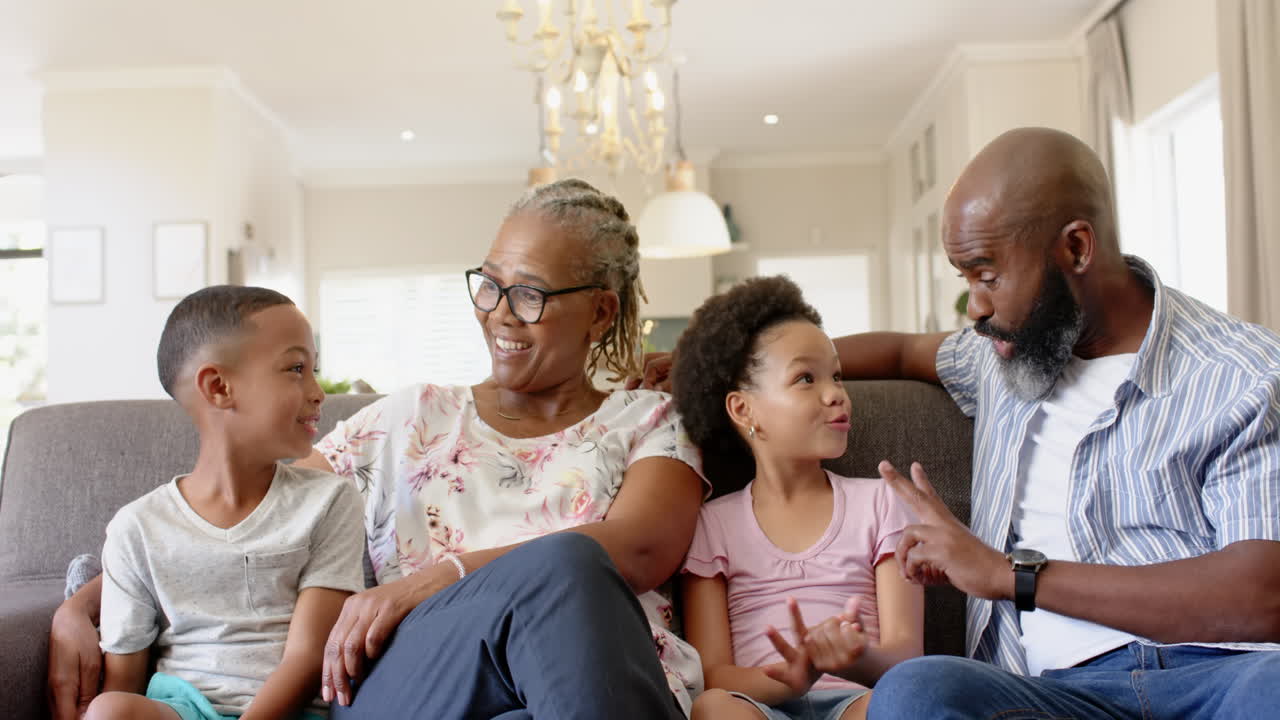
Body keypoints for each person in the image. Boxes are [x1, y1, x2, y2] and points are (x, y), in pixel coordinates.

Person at [641, 127, 1280, 718]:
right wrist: (711, 360)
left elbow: (1260, 596)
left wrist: (1009, 575)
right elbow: (897, 351)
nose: (974, 308)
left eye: (987, 275)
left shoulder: (1241, 374)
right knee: (918, 694)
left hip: (1220, 677)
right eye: (964, 278)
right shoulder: (1002, 352)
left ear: (1076, 247)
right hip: (1049, 695)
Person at [49, 179, 708, 720]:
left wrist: (431, 580)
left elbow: (638, 548)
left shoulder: (650, 419)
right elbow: (245, 509)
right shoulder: (412, 416)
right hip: (418, 686)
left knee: (570, 565)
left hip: (587, 688)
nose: (500, 313)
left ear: (600, 313)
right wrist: (83, 604)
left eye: (529, 294)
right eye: (490, 285)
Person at [84, 285, 366, 720]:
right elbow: (123, 685)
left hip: (293, 711)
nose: (317, 392)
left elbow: (309, 656)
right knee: (109, 711)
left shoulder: (330, 500)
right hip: (181, 709)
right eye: (295, 368)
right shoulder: (136, 528)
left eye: (314, 370)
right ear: (218, 387)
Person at [671, 276, 923, 720]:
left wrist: (852, 657)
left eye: (837, 375)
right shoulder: (713, 524)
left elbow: (907, 660)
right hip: (760, 706)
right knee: (712, 708)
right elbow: (712, 674)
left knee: (904, 705)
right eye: (806, 378)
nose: (836, 394)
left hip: (857, 700)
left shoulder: (882, 502)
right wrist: (793, 675)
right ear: (743, 409)